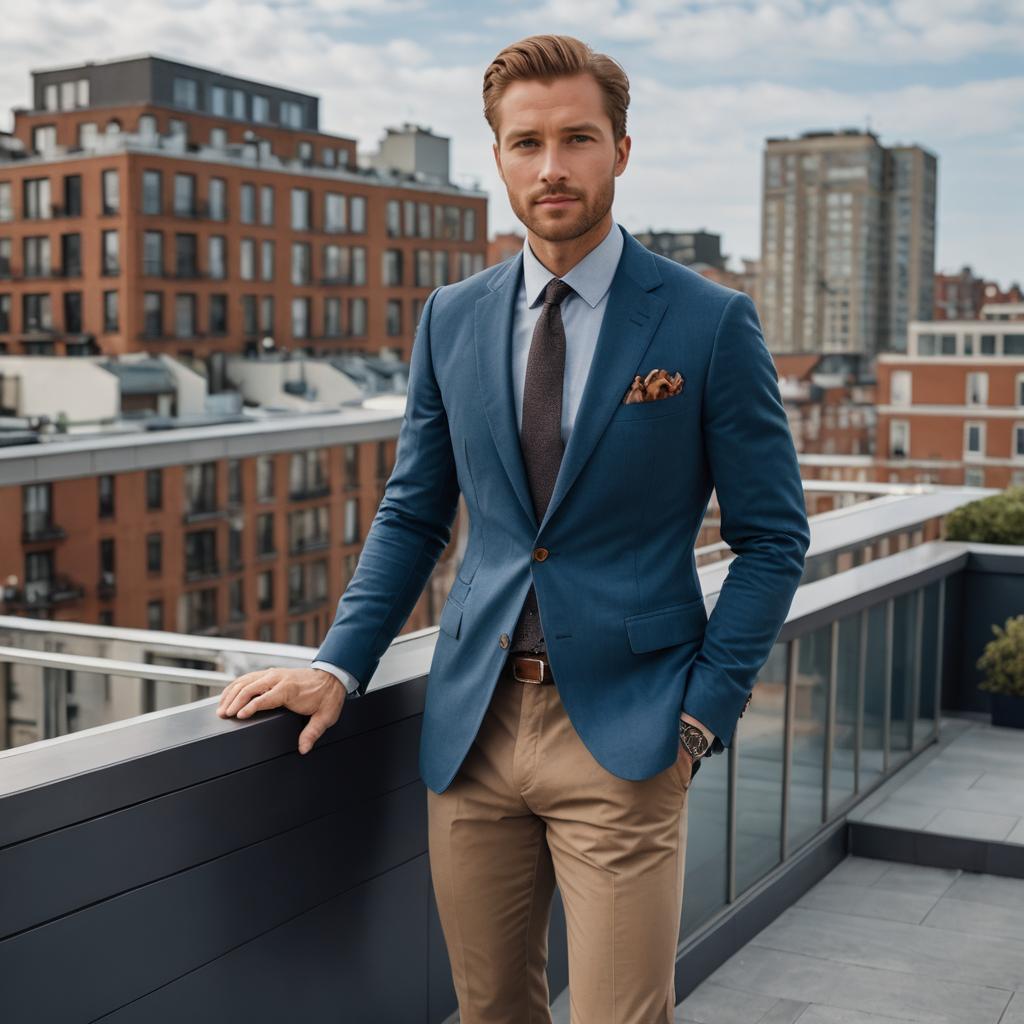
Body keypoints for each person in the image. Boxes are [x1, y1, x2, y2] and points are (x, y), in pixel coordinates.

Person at [217, 32, 810, 1024]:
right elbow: (413, 510)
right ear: (496, 157)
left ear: (621, 148)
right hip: (473, 727)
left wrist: (700, 713)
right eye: (525, 142)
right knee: (490, 1011)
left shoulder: (708, 323)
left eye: (577, 138)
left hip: (628, 731)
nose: (551, 166)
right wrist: (338, 663)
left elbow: (771, 537)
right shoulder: (451, 316)